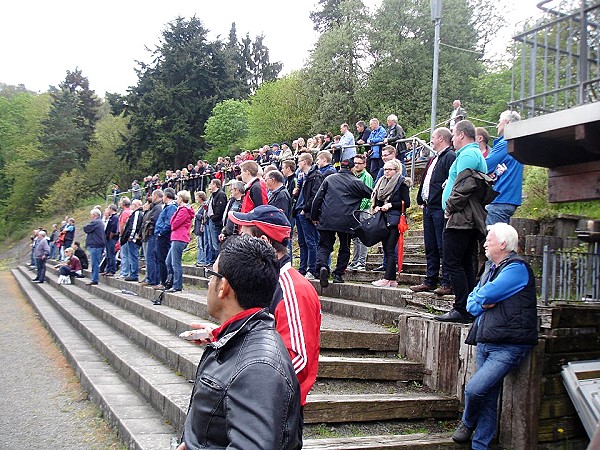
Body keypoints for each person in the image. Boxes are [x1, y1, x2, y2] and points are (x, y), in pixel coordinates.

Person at [176, 236, 302, 450]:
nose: (209, 282)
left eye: (212, 274)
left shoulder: (259, 369)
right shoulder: (243, 337)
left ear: (223, 287)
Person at [451, 223, 537, 449]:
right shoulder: (490, 268)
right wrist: (482, 299)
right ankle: (481, 445)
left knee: (475, 388)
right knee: (488, 397)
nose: (485, 242)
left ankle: (467, 423)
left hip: (509, 345)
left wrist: (484, 296)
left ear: (503, 243)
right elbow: (471, 304)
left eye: (489, 238)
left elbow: (487, 293)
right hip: (486, 340)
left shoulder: (517, 268)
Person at [229, 205, 321, 407]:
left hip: (272, 406)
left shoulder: (292, 289)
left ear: (263, 242)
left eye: (244, 236)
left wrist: (249, 389)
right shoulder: (267, 281)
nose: (237, 241)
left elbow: (297, 360)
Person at [438, 120, 497, 324]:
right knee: (464, 262)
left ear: (462, 134)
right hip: (465, 216)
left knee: (453, 261)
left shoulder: (469, 154)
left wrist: (450, 207)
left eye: (453, 135)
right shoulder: (472, 154)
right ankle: (468, 306)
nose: (452, 139)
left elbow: (464, 186)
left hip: (462, 217)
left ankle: (462, 308)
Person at [311, 158, 373, 287]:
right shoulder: (356, 182)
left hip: (327, 218)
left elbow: (317, 199)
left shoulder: (329, 179)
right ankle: (338, 274)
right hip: (347, 220)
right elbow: (372, 195)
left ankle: (322, 267)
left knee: (324, 245)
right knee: (344, 247)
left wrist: (314, 216)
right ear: (351, 169)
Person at [411, 127, 456, 296]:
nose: (431, 140)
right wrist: (421, 199)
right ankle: (430, 280)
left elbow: (449, 182)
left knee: (442, 245)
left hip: (439, 207)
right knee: (430, 245)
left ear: (442, 139)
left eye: (434, 137)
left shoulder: (450, 156)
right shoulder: (433, 158)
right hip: (429, 206)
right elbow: (427, 181)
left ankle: (447, 281)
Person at [370, 159, 411, 287]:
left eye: (389, 169)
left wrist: (391, 205)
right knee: (387, 249)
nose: (386, 172)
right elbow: (377, 198)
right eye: (385, 169)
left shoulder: (401, 183)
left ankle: (387, 278)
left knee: (390, 248)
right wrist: (377, 206)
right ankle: (392, 279)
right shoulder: (381, 182)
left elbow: (406, 202)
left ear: (396, 170)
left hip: (394, 219)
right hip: (383, 218)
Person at [485, 110, 523, 225]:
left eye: (499, 121)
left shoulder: (505, 143)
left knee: (493, 238)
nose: (497, 125)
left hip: (499, 199)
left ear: (506, 122)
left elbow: (485, 166)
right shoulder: (518, 144)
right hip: (510, 199)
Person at [293, 153, 323, 280]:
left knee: (311, 241)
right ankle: (302, 268)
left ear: (305, 162)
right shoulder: (304, 177)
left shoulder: (315, 176)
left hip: (307, 214)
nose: (298, 164)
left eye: (299, 161)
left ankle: (312, 269)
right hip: (299, 211)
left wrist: (305, 209)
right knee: (302, 242)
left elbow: (316, 196)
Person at [166, 190, 195, 293]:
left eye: (178, 197)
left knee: (175, 262)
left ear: (182, 198)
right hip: (176, 237)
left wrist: (173, 222)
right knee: (168, 261)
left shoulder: (183, 210)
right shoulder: (181, 209)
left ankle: (177, 285)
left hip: (179, 237)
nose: (176, 199)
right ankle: (171, 281)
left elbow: (174, 224)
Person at [348, 154, 374, 271]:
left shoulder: (366, 176)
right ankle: (355, 260)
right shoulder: (353, 175)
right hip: (353, 209)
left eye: (359, 163)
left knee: (362, 237)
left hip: (362, 210)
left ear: (364, 164)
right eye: (355, 163)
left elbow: (367, 195)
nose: (356, 165)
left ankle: (361, 261)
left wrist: (358, 208)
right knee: (355, 237)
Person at [154, 188, 177, 289]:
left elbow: (169, 222)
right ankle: (163, 280)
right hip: (162, 236)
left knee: (163, 259)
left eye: (163, 196)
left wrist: (161, 232)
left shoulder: (171, 207)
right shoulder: (167, 207)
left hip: (164, 237)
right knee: (161, 258)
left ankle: (164, 281)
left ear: (166, 196)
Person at [141, 190, 164, 287]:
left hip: (152, 235)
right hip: (151, 234)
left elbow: (153, 221)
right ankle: (152, 278)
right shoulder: (157, 207)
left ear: (156, 196)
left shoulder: (157, 208)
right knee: (151, 258)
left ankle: (152, 279)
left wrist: (149, 229)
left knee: (151, 257)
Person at [120, 199, 144, 282]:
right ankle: (132, 273)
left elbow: (134, 226)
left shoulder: (137, 213)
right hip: (135, 238)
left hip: (133, 239)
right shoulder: (139, 213)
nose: (131, 206)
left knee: (133, 256)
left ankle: (134, 274)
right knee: (132, 256)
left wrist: (130, 237)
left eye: (133, 205)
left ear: (136, 205)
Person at [205, 179, 228, 265]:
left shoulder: (221, 195)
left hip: (216, 222)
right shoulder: (212, 195)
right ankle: (214, 261)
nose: (210, 185)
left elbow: (220, 209)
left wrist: (214, 218)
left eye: (211, 183)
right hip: (211, 220)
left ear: (215, 184)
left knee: (216, 244)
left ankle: (220, 263)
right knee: (212, 243)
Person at [83, 208, 106, 286]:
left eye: (91, 215)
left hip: (95, 245)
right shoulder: (100, 222)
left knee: (94, 263)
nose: (91, 216)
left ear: (94, 215)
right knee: (95, 263)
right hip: (97, 245)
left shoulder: (96, 222)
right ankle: (94, 278)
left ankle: (94, 279)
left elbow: (86, 228)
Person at [117, 197, 132, 278]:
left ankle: (124, 272)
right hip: (130, 236)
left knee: (124, 254)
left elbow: (122, 225)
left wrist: (121, 235)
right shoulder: (131, 211)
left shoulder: (124, 213)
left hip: (125, 236)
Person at [193, 191, 208, 268]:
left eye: (197, 197)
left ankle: (202, 260)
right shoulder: (200, 206)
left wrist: (197, 215)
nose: (196, 199)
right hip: (198, 227)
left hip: (201, 228)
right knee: (199, 245)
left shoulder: (204, 206)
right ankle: (199, 260)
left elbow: (203, 216)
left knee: (201, 245)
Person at [103, 205, 119, 277]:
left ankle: (112, 270)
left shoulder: (115, 217)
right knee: (108, 255)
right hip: (108, 238)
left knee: (111, 254)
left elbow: (114, 228)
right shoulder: (111, 217)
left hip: (112, 239)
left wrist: (110, 236)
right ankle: (108, 269)